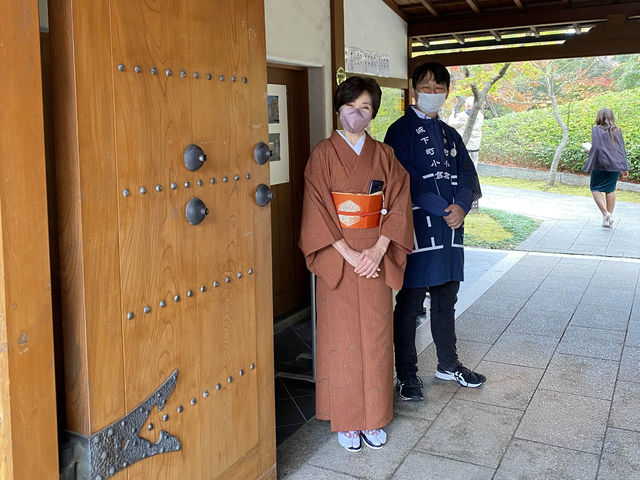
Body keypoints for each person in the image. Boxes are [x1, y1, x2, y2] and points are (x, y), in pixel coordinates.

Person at [299, 76, 413, 452]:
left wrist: (379, 250)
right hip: (339, 256)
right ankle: (347, 420)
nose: (357, 113)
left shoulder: (385, 156)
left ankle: (374, 417)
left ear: (373, 113)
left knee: (377, 338)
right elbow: (316, 208)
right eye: (351, 105)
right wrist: (348, 254)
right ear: (338, 108)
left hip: (375, 257)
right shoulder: (322, 154)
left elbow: (398, 204)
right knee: (342, 339)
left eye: (366, 107)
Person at [384, 62, 485, 403]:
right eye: (425, 87)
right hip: (417, 229)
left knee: (445, 299)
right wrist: (444, 209)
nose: (432, 94)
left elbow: (468, 175)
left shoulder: (450, 133)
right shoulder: (399, 132)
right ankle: (407, 375)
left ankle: (448, 364)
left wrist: (461, 205)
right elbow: (403, 179)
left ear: (446, 92)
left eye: (438, 88)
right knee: (410, 304)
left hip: (450, 233)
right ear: (414, 89)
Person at [583, 108, 629, 228]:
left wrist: (589, 148)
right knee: (610, 189)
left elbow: (597, 149)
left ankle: (605, 213)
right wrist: (624, 167)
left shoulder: (596, 130)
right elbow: (621, 149)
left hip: (599, 164)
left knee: (595, 188)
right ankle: (608, 219)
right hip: (615, 165)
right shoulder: (617, 131)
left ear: (599, 117)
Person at [448, 96, 484, 168]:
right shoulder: (480, 115)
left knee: (462, 167)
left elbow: (452, 123)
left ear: (467, 105)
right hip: (475, 146)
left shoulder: (463, 116)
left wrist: (453, 113)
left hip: (465, 145)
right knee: (473, 166)